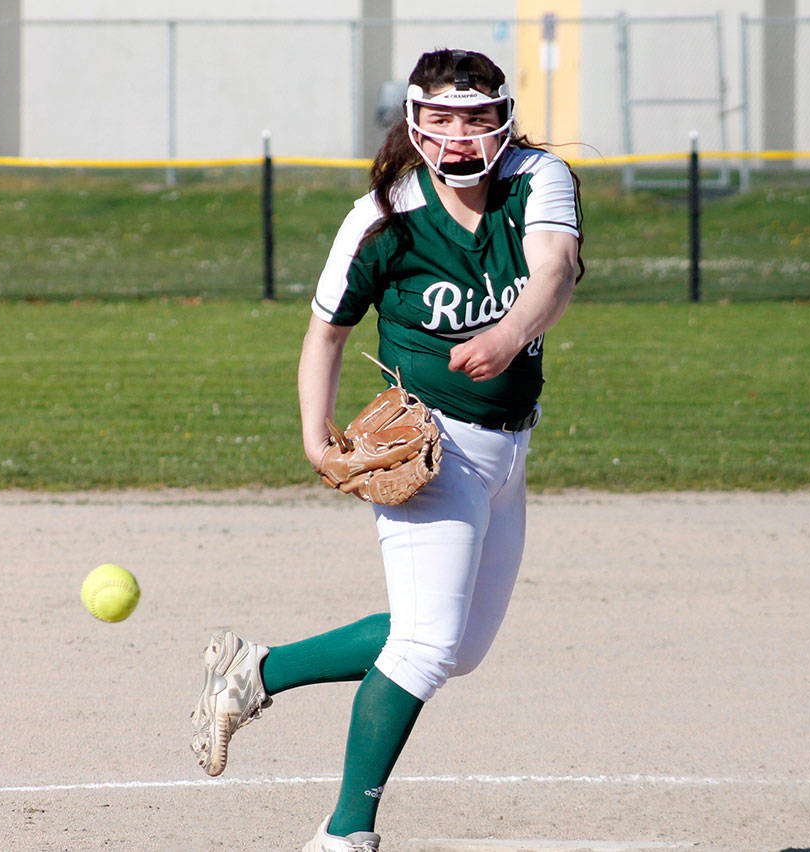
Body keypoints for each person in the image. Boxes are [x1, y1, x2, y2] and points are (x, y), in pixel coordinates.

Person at [190, 48, 583, 852]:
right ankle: (344, 836)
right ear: (413, 123)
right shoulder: (384, 214)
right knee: (427, 643)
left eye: (476, 117)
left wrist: (511, 333)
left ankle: (254, 673)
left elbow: (558, 270)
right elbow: (326, 331)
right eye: (439, 118)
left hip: (510, 450)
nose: (458, 136)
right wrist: (313, 437)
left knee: (456, 648)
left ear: (504, 121)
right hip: (429, 450)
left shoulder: (538, 181)